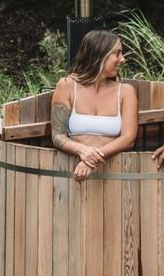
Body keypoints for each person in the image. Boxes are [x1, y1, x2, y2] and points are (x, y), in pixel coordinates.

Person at [50, 30, 139, 182]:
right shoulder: (67, 86)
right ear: (99, 55)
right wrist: (82, 150)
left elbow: (128, 138)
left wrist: (90, 160)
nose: (123, 59)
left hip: (114, 175)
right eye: (117, 53)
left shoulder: (125, 92)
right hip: (70, 173)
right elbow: (58, 136)